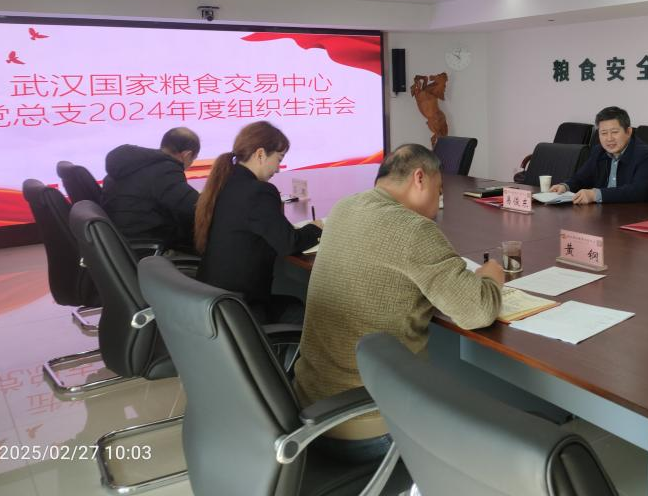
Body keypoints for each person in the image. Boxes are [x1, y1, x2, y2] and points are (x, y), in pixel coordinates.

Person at [292, 143, 504, 463]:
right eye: (439, 190)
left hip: (311, 403)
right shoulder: (414, 229)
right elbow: (477, 311)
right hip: (369, 419)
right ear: (420, 178)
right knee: (478, 429)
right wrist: (490, 279)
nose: (439, 201)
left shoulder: (344, 207)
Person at [194, 121, 322, 323]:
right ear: (260, 154)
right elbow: (289, 243)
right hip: (240, 307)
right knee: (302, 309)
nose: (277, 169)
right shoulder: (259, 191)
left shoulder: (223, 182)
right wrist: (316, 228)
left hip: (212, 300)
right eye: (279, 159)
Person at [101, 127, 201, 251]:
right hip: (147, 244)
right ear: (187, 155)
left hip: (120, 240)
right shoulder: (166, 169)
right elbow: (193, 208)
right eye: (193, 160)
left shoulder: (131, 165)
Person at [549, 106, 648, 205]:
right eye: (604, 133)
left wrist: (595, 195)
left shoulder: (646, 155)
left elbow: (637, 191)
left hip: (640, 215)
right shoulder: (598, 151)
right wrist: (565, 186)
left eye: (614, 132)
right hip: (607, 213)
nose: (609, 139)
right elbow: (581, 177)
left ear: (628, 132)